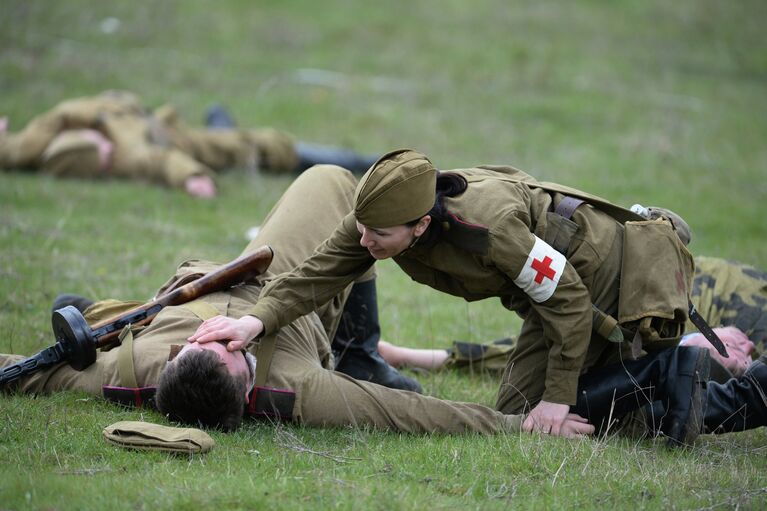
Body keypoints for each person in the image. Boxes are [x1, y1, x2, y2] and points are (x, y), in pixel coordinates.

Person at [0, 164, 594, 436]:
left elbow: (20, 375)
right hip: (292, 293)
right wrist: (521, 425)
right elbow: (409, 414)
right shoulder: (296, 390)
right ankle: (358, 350)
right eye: (240, 355)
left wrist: (247, 320)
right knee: (338, 193)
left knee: (333, 181)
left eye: (202, 343)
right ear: (251, 382)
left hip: (222, 275)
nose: (217, 340)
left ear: (182, 352)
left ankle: (367, 348)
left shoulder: (124, 368)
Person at [186, 148, 709, 441]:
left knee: (536, 414)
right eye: (362, 230)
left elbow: (567, 300)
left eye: (378, 237)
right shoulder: (379, 215)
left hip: (598, 277)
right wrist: (255, 321)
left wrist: (557, 397)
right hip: (547, 293)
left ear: (419, 226)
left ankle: (670, 375)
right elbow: (319, 271)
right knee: (521, 412)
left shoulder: (494, 229)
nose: (365, 242)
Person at [378, 255, 766, 380]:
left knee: (582, 347)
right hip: (688, 290)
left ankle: (418, 357)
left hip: (692, 303)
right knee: (581, 337)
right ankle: (417, 356)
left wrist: (690, 348)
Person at [0, 91, 379, 199]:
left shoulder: (41, 137)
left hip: (177, 131)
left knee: (228, 135)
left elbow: (10, 151)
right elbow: (161, 160)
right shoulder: (125, 153)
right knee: (268, 147)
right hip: (188, 143)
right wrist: (193, 177)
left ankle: (220, 121)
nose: (107, 157)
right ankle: (369, 163)